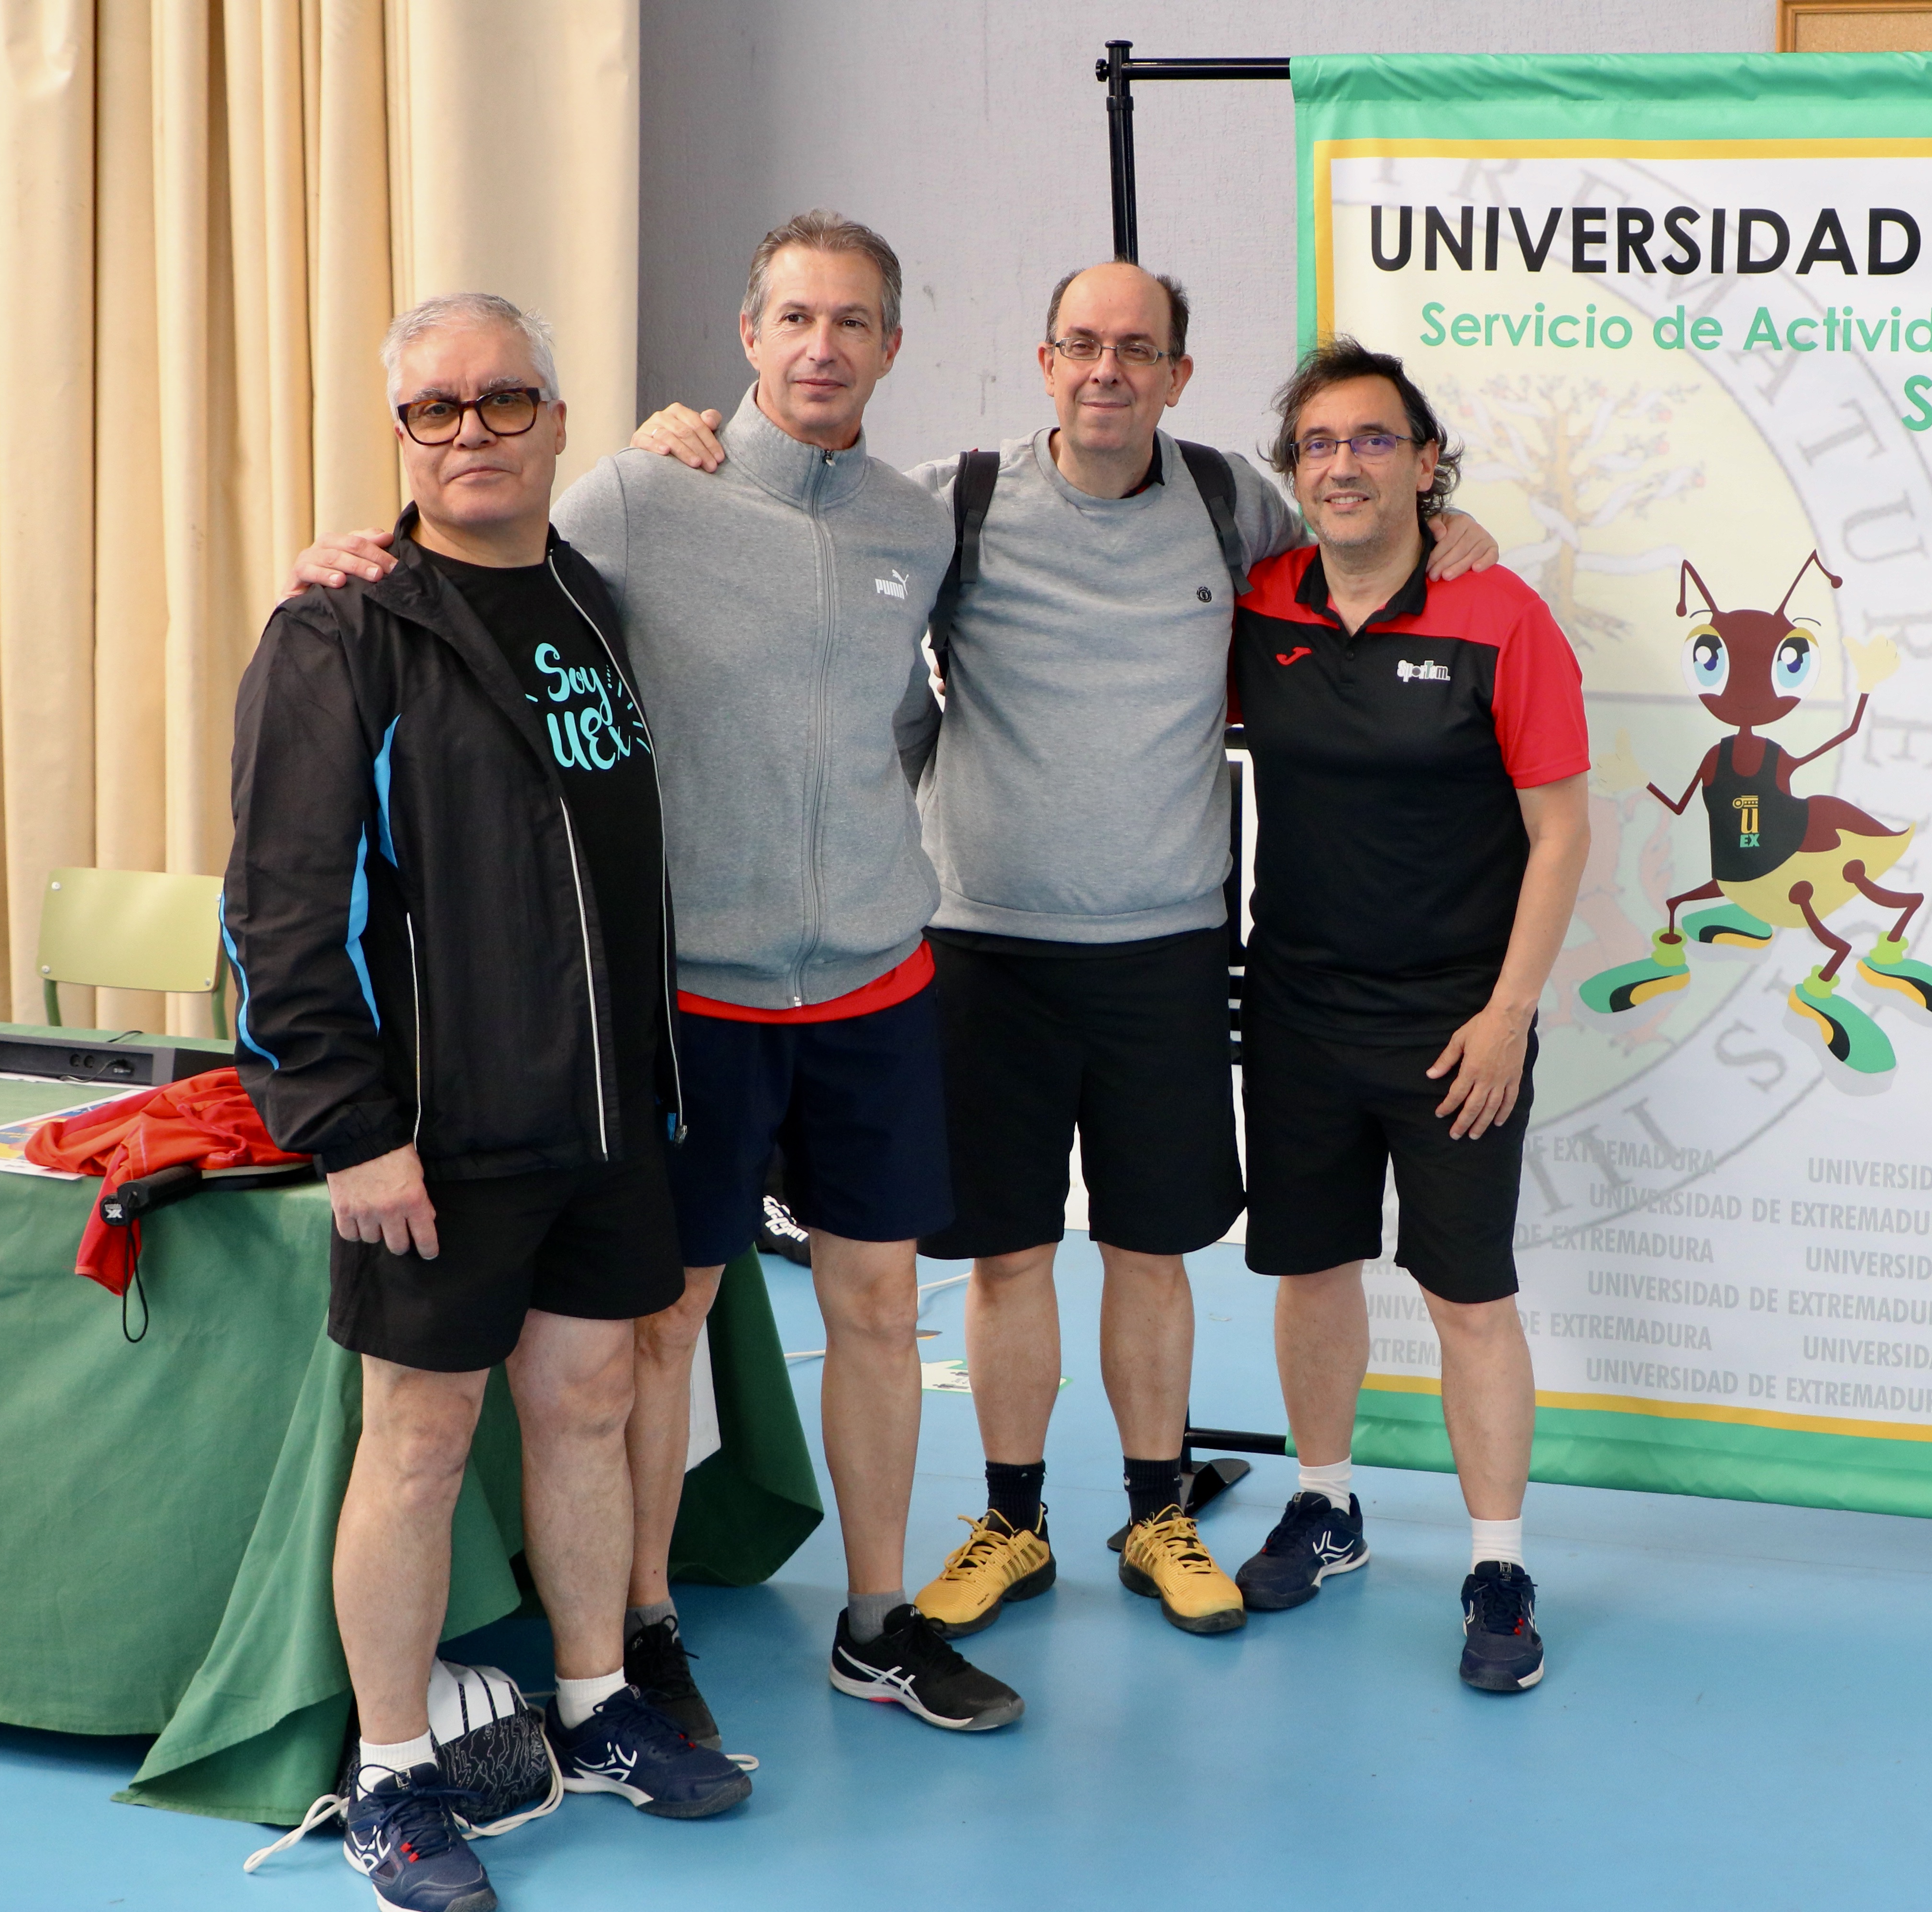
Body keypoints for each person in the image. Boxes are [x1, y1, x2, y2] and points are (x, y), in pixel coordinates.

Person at [626, 261, 1500, 1642]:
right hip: (985, 951)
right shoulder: (952, 501)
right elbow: (804, 547)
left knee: (1152, 1253)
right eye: (1082, 345)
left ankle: (1157, 1513)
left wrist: (1455, 527)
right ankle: (1012, 1522)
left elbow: (1363, 536)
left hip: (1168, 949)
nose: (1107, 370)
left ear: (1177, 376)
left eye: (1137, 349)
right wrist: (681, 446)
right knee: (1009, 1256)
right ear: (1044, 363)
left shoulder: (1233, 503)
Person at [282, 214, 1019, 1750]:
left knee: (882, 1307)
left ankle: (877, 1622)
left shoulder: (917, 524)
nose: (822, 344)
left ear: (892, 346)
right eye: (795, 316)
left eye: (855, 321)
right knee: (656, 1329)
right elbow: (466, 563)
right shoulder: (637, 493)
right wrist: (350, 557)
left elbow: (900, 720)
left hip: (873, 981)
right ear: (748, 335)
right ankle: (639, 1628)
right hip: (690, 1001)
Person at [229, 292, 749, 1912]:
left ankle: (594, 1705)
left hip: (602, 1122)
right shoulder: (339, 632)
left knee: (587, 1405)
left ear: (555, 418)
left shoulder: (589, 599)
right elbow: (281, 911)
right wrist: (350, 1127)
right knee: (420, 1440)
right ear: (399, 433)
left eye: (504, 400)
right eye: (435, 409)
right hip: (434, 1141)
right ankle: (393, 1774)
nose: (472, 432)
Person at [1224, 338, 1590, 1692]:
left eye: (1374, 439)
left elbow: (1562, 834)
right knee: (1312, 1271)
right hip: (1296, 1011)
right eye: (1319, 444)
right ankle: (1327, 1506)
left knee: (1469, 1297)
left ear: (1427, 463)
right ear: (1295, 470)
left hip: (1456, 1027)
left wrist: (1509, 1014)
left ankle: (1498, 1566)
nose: (1345, 465)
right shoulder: (1258, 603)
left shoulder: (1503, 615)